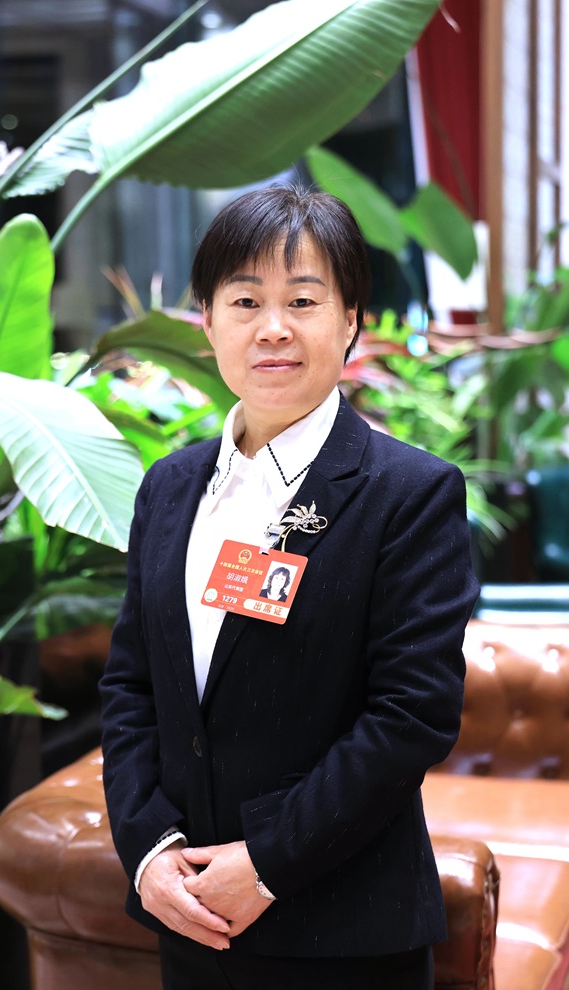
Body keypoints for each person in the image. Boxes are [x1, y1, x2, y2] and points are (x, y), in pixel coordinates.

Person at [99, 186, 480, 990]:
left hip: (343, 929)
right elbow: (131, 684)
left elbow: (411, 715)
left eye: (303, 301)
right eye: (245, 301)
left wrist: (267, 862)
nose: (273, 327)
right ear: (209, 322)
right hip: (191, 916)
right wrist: (149, 849)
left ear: (349, 321)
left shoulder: (408, 493)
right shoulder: (168, 487)